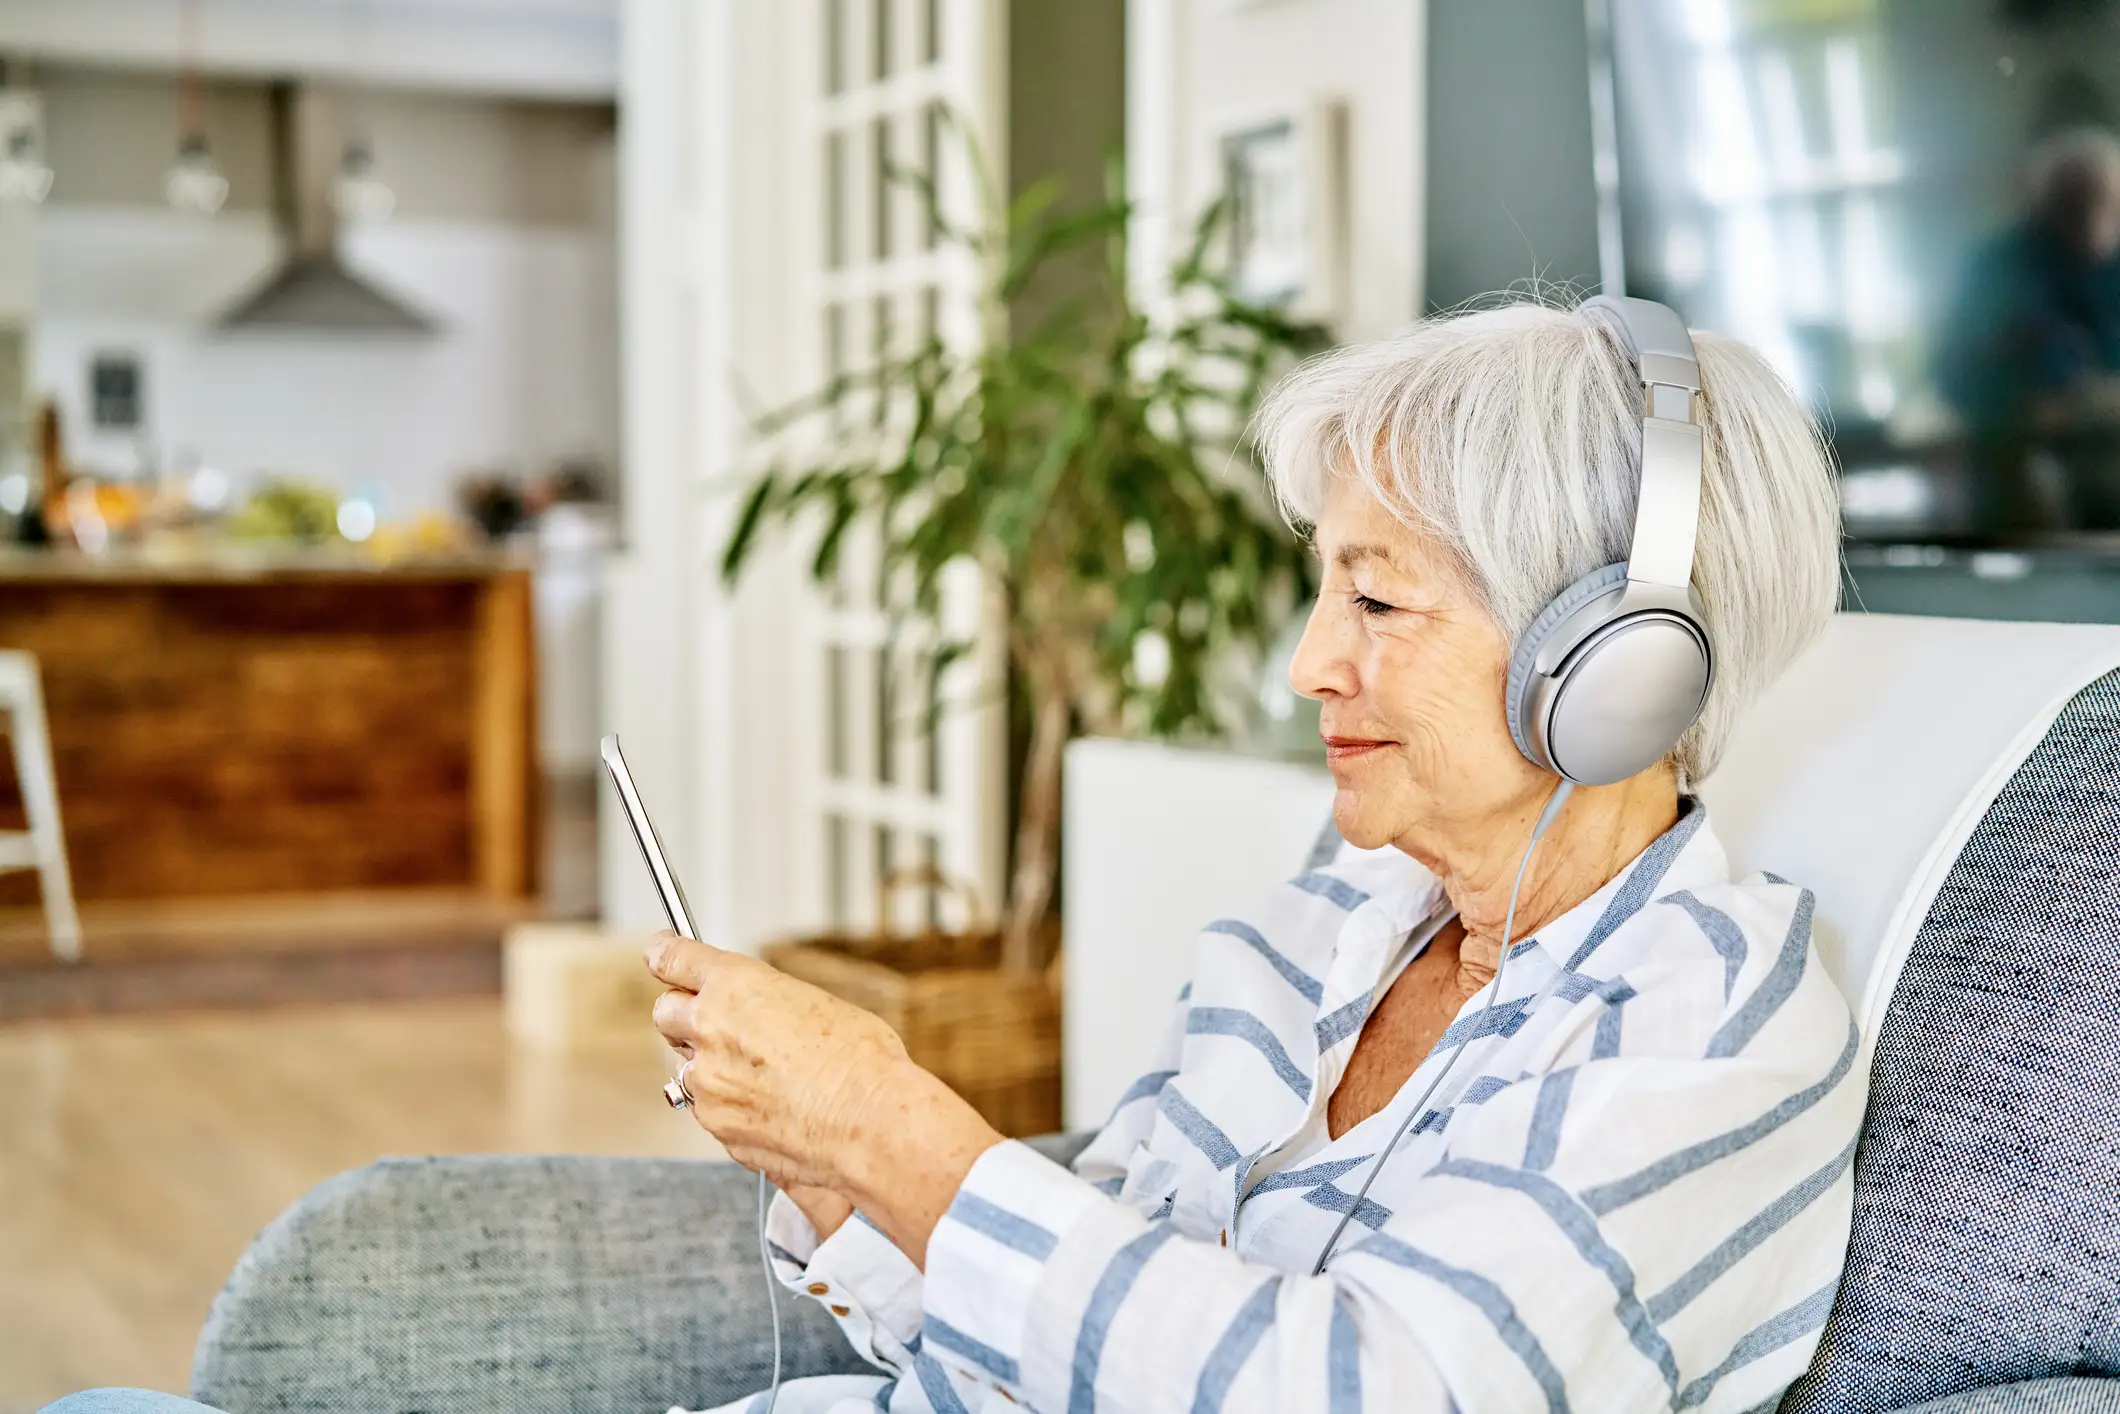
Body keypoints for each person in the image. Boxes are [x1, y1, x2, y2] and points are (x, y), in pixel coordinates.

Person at [45, 297, 1857, 1414]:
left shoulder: (1710, 1018)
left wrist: (909, 1133)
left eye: (1375, 598)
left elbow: (1368, 1393)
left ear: (1613, 669)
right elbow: (1065, 1327)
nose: (1309, 662)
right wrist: (840, 1177)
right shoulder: (1342, 914)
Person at [1937, 126, 2120, 528]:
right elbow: (1951, 375)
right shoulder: (1994, 268)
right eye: (2073, 206)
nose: (2091, 222)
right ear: (2042, 206)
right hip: (2016, 479)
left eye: (2105, 205)